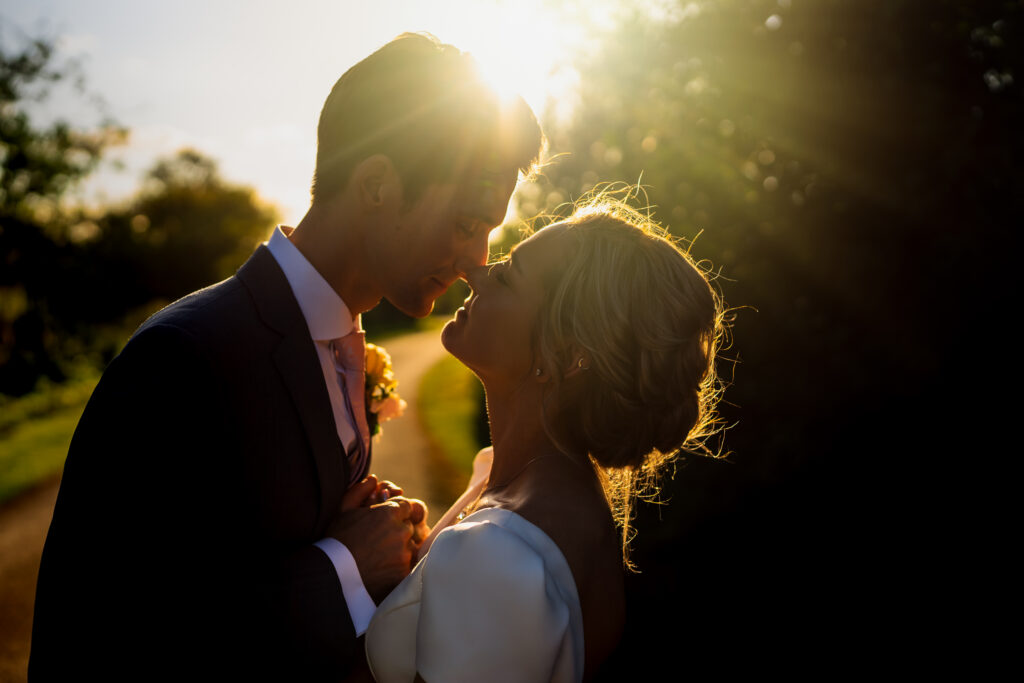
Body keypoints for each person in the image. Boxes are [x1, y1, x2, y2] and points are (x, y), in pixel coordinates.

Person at [29, 33, 543, 681]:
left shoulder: (337, 344)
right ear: (379, 183)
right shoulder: (185, 357)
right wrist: (343, 566)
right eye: (468, 223)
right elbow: (108, 634)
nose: (477, 260)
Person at [365, 197, 726, 682]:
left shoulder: (501, 551)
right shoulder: (511, 483)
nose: (477, 271)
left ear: (569, 353)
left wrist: (343, 574)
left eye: (509, 275)